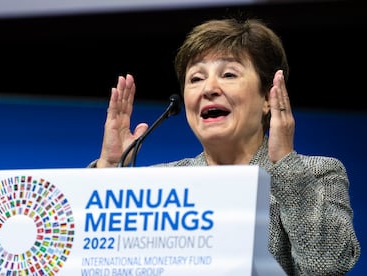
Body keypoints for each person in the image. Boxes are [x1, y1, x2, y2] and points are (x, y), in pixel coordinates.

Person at [88, 18, 360, 275]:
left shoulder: (316, 174)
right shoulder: (162, 183)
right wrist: (111, 173)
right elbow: (92, 261)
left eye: (229, 74)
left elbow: (327, 266)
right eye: (196, 78)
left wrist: (285, 163)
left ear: (268, 97)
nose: (209, 88)